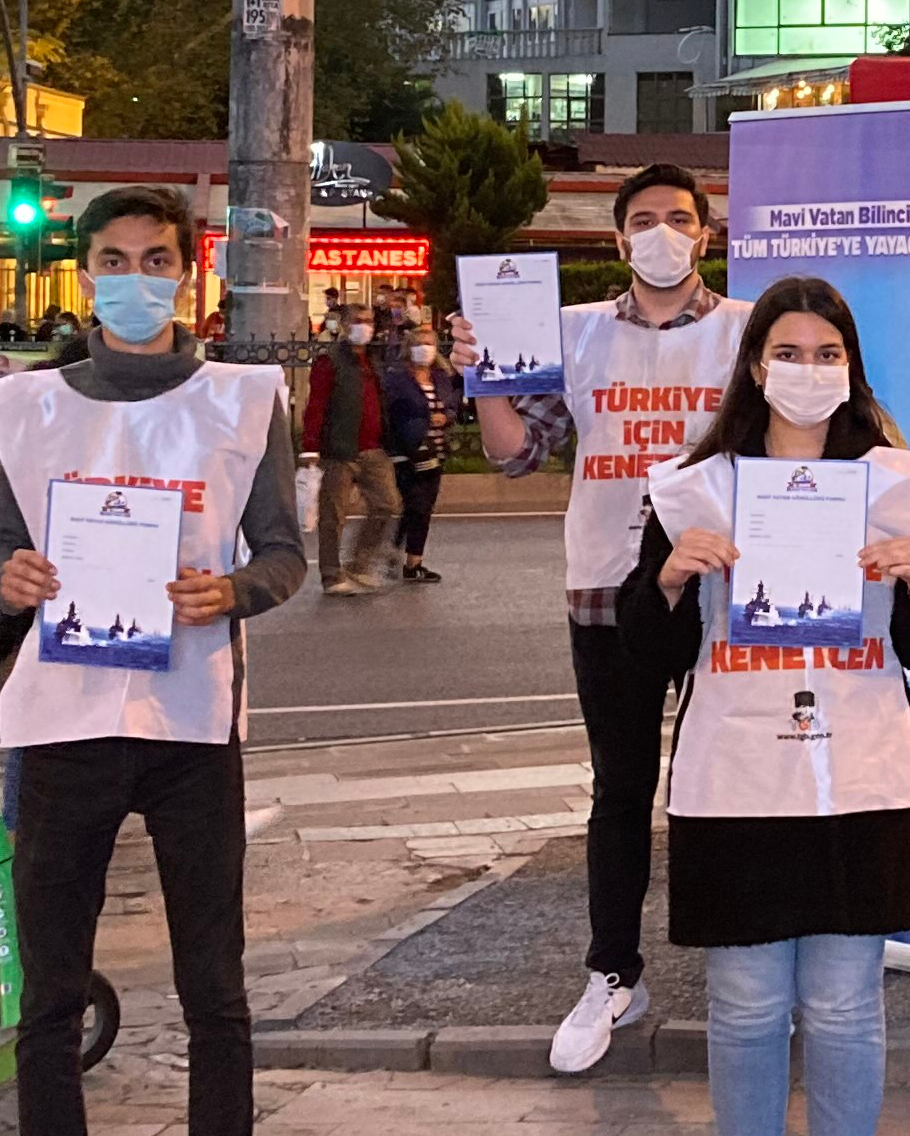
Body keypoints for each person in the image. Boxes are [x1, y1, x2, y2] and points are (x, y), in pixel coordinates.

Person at [0, 187, 304, 1136]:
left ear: (189, 273)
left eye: (157, 258)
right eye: (113, 258)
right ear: (83, 271)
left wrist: (235, 592)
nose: (136, 277)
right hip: (61, 725)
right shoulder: (19, 408)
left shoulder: (248, 400)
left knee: (216, 989)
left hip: (193, 722)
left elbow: (283, 553)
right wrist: (4, 579)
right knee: (49, 995)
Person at [623, 279, 910, 1136]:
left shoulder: (897, 486)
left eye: (828, 352)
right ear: (754, 364)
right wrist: (676, 581)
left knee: (843, 1009)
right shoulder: (696, 488)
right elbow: (648, 650)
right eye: (789, 349)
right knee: (739, 1011)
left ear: (852, 368)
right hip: (737, 780)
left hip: (858, 774)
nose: (808, 369)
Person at [455, 164, 749, 1074]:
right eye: (645, 221)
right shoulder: (572, 333)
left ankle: (745, 970)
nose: (664, 233)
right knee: (619, 790)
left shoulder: (749, 333)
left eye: (681, 219)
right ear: (620, 240)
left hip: (722, 593)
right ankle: (613, 975)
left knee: (728, 785)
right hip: (604, 589)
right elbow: (514, 456)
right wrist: (483, 375)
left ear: (706, 234)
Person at [302, 307, 399, 598]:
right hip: (339, 450)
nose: (364, 327)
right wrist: (310, 448)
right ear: (344, 325)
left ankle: (361, 563)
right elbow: (316, 405)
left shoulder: (372, 360)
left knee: (388, 504)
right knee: (333, 516)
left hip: (372, 448)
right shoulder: (329, 361)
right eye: (358, 322)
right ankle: (331, 576)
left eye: (368, 321)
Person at [384, 323, 448, 583]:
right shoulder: (398, 378)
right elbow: (394, 412)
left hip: (436, 449)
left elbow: (452, 404)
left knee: (421, 508)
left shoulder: (441, 377)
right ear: (409, 348)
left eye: (429, 344)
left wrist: (446, 417)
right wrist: (422, 421)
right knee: (415, 506)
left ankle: (408, 559)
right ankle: (403, 558)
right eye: (419, 344)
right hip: (409, 451)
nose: (425, 350)